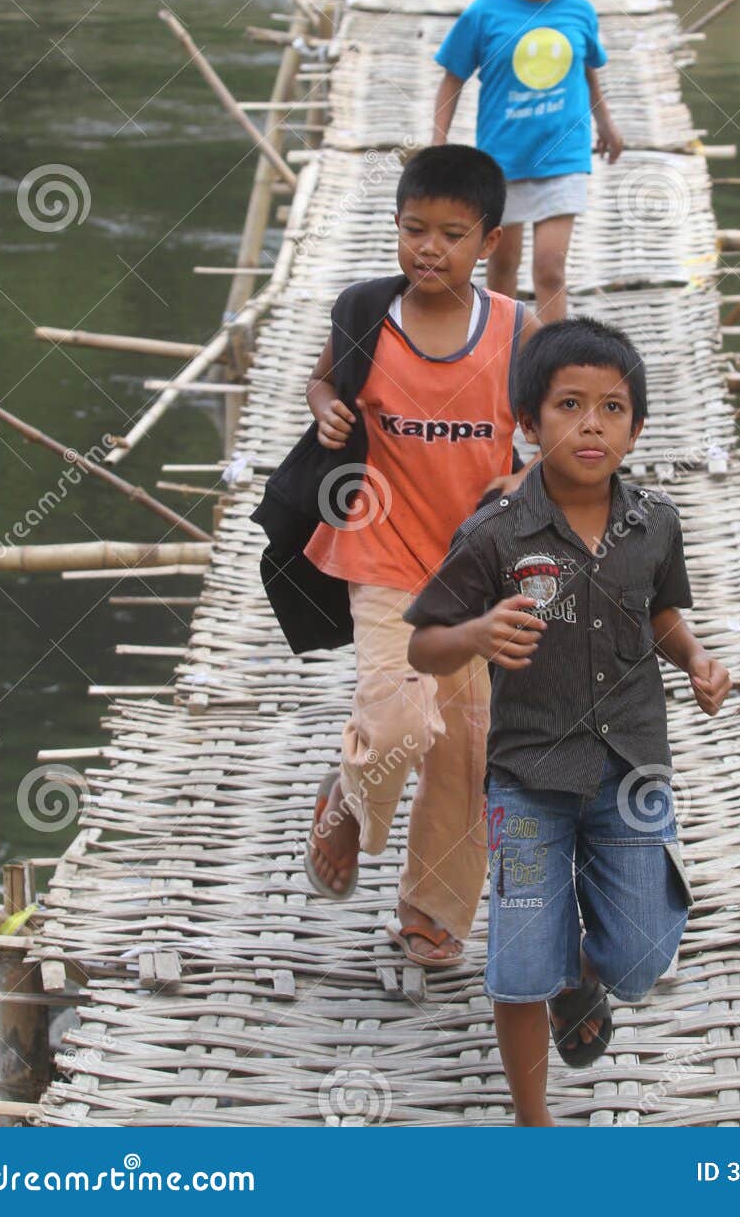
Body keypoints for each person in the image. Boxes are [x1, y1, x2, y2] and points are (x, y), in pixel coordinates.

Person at [406, 316, 732, 1125]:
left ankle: (577, 971)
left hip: (631, 772)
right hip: (527, 778)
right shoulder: (493, 534)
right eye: (569, 406)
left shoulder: (655, 522)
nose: (591, 425)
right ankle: (532, 1124)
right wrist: (476, 634)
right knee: (518, 963)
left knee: (643, 954)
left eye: (612, 409)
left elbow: (658, 612)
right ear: (528, 422)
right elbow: (423, 647)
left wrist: (692, 659)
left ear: (638, 427)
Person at [301, 144, 539, 968]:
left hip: (478, 576)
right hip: (382, 554)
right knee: (401, 720)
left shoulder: (514, 329)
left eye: (449, 233)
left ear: (490, 242)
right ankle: (352, 801)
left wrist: (524, 473)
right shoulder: (366, 311)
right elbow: (323, 380)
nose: (428, 249)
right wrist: (330, 408)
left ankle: (432, 909)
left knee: (465, 751)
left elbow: (550, 432)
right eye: (412, 230)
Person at [433, 0, 624, 323]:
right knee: (501, 269)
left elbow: (588, 70)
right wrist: (437, 144)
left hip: (564, 157)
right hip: (503, 163)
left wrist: (606, 124)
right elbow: (453, 78)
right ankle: (501, 354)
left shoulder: (579, 11)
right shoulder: (485, 14)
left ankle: (552, 365)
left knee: (550, 270)